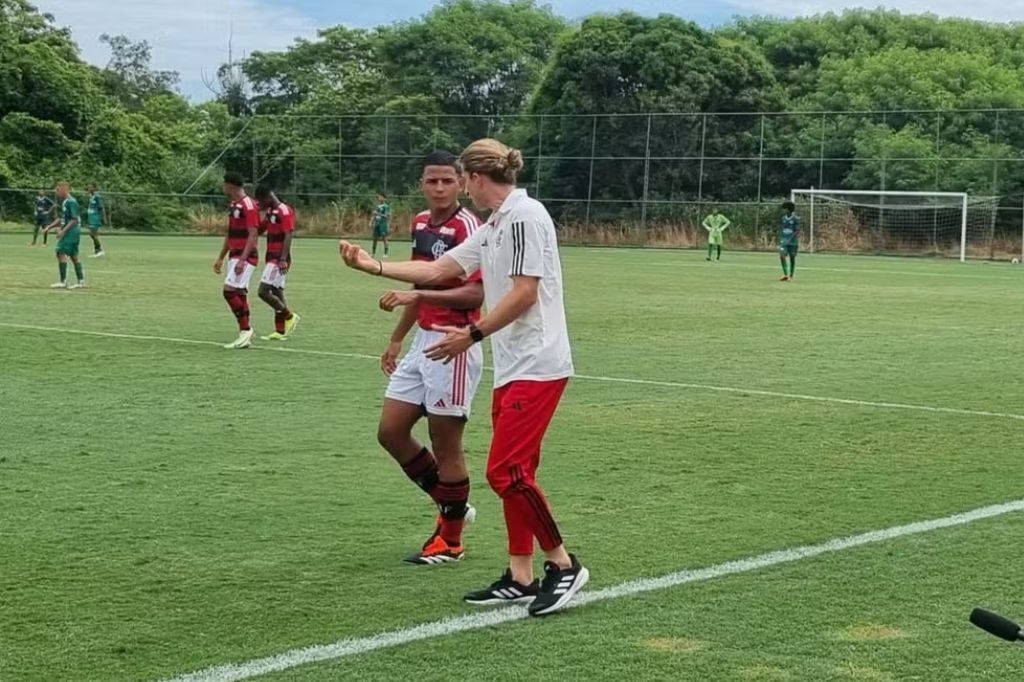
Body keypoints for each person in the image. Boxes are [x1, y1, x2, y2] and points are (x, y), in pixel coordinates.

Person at [339, 138, 589, 617]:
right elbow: (439, 269)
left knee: (506, 473)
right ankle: (521, 575)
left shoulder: (524, 217)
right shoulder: (497, 223)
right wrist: (374, 266)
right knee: (517, 474)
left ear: (474, 178)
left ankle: (562, 564)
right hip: (515, 363)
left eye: (459, 179)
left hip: (538, 364)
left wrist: (471, 335)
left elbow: (524, 294)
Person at [376, 151, 485, 565]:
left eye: (446, 181)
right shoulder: (421, 222)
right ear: (422, 183)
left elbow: (476, 294)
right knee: (391, 431)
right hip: (423, 340)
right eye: (431, 181)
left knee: (446, 444)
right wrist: (397, 338)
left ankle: (451, 541)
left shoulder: (469, 226)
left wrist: (420, 295)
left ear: (460, 183)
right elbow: (420, 280)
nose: (439, 188)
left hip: (454, 343)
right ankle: (452, 505)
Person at [214, 172, 260, 349]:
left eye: (224, 184)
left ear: (230, 185)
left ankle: (246, 330)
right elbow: (230, 232)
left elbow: (253, 234)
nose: (222, 187)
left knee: (229, 291)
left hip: (245, 256)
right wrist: (220, 257)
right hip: (235, 254)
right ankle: (244, 335)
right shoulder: (234, 204)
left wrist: (242, 259)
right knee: (239, 293)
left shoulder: (248, 205)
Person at [254, 185, 300, 342]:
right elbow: (261, 229)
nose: (260, 205)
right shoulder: (270, 211)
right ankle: (280, 332)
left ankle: (289, 316)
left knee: (263, 291)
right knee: (277, 291)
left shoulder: (284, 210)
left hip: (278, 259)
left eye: (260, 201)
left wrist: (282, 259)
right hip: (271, 256)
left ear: (267, 197)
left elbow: (289, 234)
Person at [43, 182, 85, 289]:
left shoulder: (71, 202)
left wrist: (63, 231)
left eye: (57, 190)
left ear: (64, 189)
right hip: (72, 231)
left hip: (71, 231)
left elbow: (74, 219)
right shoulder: (65, 202)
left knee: (60, 251)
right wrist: (49, 227)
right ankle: (81, 281)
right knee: (74, 255)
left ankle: (63, 281)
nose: (56, 193)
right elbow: (62, 219)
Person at [779, 201, 800, 281]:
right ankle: (785, 274)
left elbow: (797, 231)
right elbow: (782, 228)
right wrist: (781, 238)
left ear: (788, 210)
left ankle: (791, 275)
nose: (783, 211)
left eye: (784, 209)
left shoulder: (796, 219)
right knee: (782, 256)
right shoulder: (783, 218)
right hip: (784, 241)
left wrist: (790, 239)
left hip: (793, 242)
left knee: (792, 258)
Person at [86, 183, 106, 257]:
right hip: (91, 218)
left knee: (93, 234)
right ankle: (97, 251)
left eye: (90, 187)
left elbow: (101, 207)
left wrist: (104, 218)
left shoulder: (97, 196)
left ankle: (99, 250)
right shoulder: (91, 196)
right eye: (88, 187)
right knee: (92, 234)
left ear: (94, 188)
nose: (88, 188)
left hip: (95, 218)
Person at [371, 193, 391, 258]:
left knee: (384, 238)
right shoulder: (377, 206)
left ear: (384, 198)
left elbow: (386, 216)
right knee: (374, 239)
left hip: (383, 224)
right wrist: (371, 222)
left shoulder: (386, 206)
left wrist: (378, 213)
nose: (379, 198)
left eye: (381, 197)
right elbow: (374, 215)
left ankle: (385, 253)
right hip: (377, 224)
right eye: (379, 197)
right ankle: (373, 253)